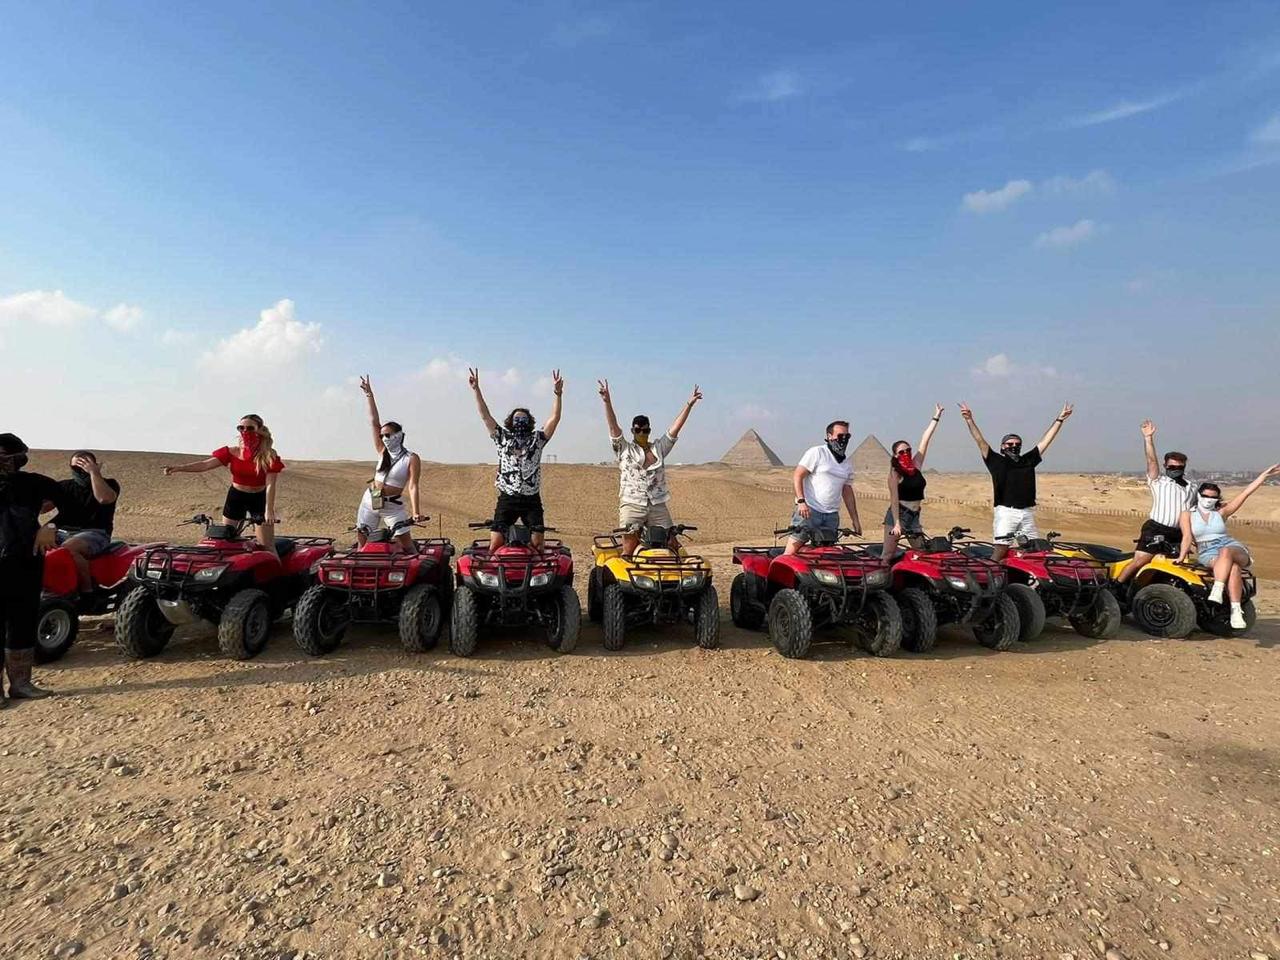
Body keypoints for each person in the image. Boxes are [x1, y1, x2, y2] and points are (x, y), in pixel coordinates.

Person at [598, 379, 702, 557]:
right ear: (632, 430)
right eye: (638, 430)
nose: (641, 434)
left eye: (645, 431)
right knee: (629, 550)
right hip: (632, 502)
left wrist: (689, 405)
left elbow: (674, 430)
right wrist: (607, 402)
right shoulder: (624, 449)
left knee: (672, 544)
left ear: (649, 430)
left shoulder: (658, 448)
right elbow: (613, 427)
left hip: (657, 504)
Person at [959, 401, 1073, 560]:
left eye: (1017, 444)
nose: (1014, 446)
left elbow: (1046, 441)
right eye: (1010, 444)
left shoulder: (1028, 460)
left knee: (1034, 551)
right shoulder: (995, 461)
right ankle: (992, 580)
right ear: (1002, 446)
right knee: (1001, 550)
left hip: (1027, 512)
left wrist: (1060, 419)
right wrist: (969, 420)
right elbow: (980, 441)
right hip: (1006, 512)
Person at [468, 367, 563, 550]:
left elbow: (555, 418)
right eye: (517, 419)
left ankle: (537, 577)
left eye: (524, 419)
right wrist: (476, 390)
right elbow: (485, 415)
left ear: (530, 422)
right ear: (511, 423)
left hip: (531, 499)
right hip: (507, 498)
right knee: (495, 542)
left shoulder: (538, 439)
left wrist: (557, 394)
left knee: (538, 543)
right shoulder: (502, 437)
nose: (520, 422)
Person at [1176, 465, 1280, 629]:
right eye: (1205, 495)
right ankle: (1236, 611)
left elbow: (1245, 493)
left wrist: (1264, 476)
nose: (1208, 499)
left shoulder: (1222, 512)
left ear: (1218, 498)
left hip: (1230, 546)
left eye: (1213, 497)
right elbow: (1187, 536)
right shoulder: (1187, 514)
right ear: (1199, 495)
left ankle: (1217, 589)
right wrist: (1181, 557)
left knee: (1226, 552)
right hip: (1207, 551)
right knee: (1233, 569)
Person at [161, 414, 285, 552]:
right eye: (241, 428)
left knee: (266, 546)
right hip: (236, 497)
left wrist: (269, 510)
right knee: (226, 542)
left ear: (259, 429)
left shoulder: (268, 456)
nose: (245, 431)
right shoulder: (231, 452)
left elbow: (270, 485)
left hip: (259, 498)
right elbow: (204, 465)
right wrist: (179, 468)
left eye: (250, 428)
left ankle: (280, 572)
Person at [0, 433, 63, 703]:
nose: (10, 462)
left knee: (22, 622)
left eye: (12, 456)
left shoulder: (33, 483)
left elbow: (78, 502)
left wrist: (50, 526)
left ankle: (21, 684)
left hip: (26, 562)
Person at [1115, 421, 1193, 584]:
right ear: (1165, 466)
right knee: (1141, 561)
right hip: (1156, 528)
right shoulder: (1158, 481)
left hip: (1177, 534)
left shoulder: (1192, 487)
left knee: (1173, 566)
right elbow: (1151, 461)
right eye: (1171, 466)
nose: (1175, 469)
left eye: (1179, 467)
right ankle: (1116, 586)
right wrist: (1148, 438)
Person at [355, 376, 425, 550]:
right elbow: (374, 422)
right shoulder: (382, 451)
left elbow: (413, 486)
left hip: (392, 506)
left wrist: (416, 512)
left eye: (388, 435)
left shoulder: (411, 458)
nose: (384, 438)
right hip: (370, 500)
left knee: (406, 543)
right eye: (382, 436)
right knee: (362, 540)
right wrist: (369, 395)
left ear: (399, 435)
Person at [785, 420, 862, 555]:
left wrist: (855, 519)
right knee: (791, 553)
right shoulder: (817, 452)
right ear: (829, 436)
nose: (844, 439)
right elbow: (798, 475)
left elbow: (847, 491)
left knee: (825, 555)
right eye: (840, 435)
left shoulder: (847, 463)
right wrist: (801, 502)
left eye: (847, 436)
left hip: (831, 516)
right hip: (809, 511)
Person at [52, 450, 121, 595]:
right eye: (77, 467)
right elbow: (42, 507)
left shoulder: (109, 484)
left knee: (68, 549)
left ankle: (86, 591)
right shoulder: (64, 486)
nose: (80, 470)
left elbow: (104, 499)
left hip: (95, 532)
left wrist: (94, 473)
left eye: (85, 465)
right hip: (62, 530)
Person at [883, 404, 943, 555]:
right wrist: (897, 524)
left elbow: (925, 439)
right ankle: (880, 578)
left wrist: (936, 417)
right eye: (902, 452)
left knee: (922, 552)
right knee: (887, 555)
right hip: (898, 516)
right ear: (895, 455)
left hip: (914, 516)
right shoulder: (895, 474)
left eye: (908, 450)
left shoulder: (916, 464)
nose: (906, 453)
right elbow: (894, 500)